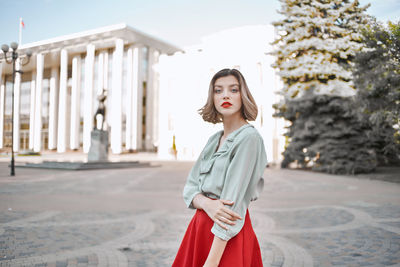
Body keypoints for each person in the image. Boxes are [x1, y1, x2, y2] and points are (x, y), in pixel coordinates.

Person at [172, 68, 268, 267]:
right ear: (213, 97)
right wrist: (207, 204)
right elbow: (190, 189)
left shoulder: (248, 138)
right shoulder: (214, 139)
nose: (225, 95)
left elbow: (231, 209)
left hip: (225, 237)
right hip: (199, 228)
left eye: (233, 90)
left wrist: (211, 262)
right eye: (218, 90)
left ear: (243, 96)